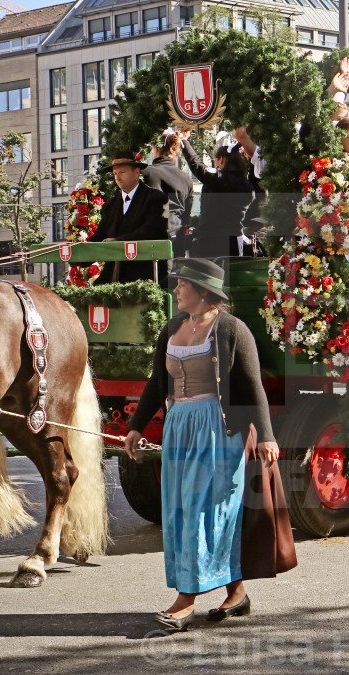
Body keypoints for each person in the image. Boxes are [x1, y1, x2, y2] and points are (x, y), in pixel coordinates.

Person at [124, 259, 294, 631]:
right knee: (180, 510)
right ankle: (237, 593)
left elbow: (252, 385)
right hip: (179, 426)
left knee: (207, 512)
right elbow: (157, 382)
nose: (175, 291)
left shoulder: (232, 329)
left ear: (203, 291)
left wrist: (265, 435)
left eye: (182, 285)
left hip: (219, 430)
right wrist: (138, 426)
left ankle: (186, 600)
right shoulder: (173, 328)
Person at [88, 151, 168, 283]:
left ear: (136, 172)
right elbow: (100, 235)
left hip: (145, 275)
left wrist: (118, 241)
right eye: (115, 173)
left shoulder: (156, 198)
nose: (118, 177)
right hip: (113, 275)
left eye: (122, 172)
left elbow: (151, 231)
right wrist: (81, 252)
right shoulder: (110, 205)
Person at [180, 130, 254, 258]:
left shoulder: (219, 179)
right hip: (234, 239)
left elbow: (196, 164)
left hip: (210, 240)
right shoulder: (247, 185)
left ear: (220, 160)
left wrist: (184, 141)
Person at [142, 130, 194, 248]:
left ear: (155, 148)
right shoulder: (186, 178)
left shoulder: (147, 173)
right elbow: (187, 214)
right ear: (175, 149)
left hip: (151, 238)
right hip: (177, 237)